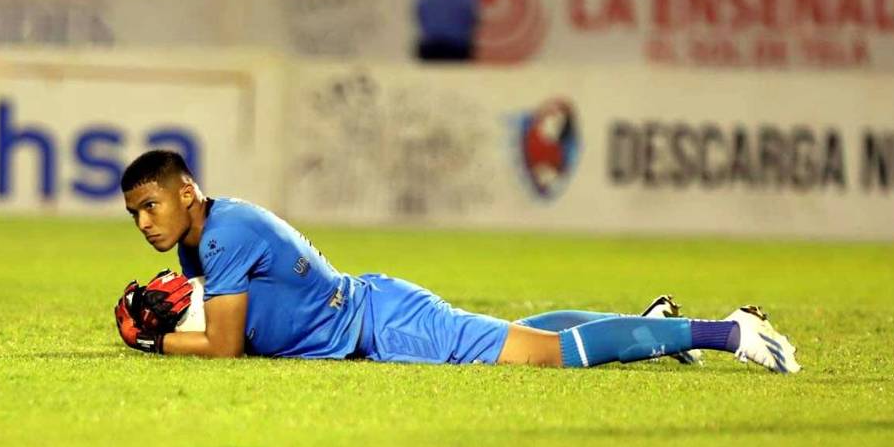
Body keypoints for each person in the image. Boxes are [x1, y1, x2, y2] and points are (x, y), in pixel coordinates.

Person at [114, 150, 801, 373]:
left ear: (186, 193)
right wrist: (176, 308)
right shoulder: (203, 234)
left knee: (549, 355)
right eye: (134, 213)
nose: (145, 222)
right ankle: (645, 326)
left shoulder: (223, 233)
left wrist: (157, 340)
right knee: (523, 332)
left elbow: (229, 346)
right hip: (370, 313)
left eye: (150, 205)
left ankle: (725, 331)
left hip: (378, 326)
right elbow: (239, 314)